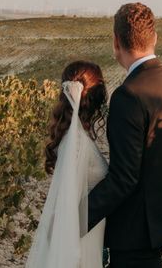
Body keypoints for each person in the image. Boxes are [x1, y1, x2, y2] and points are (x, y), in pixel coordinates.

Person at [87, 2, 162, 268]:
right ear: (154, 38)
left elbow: (124, 177)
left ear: (116, 41)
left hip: (136, 228)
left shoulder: (129, 95)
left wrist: (77, 217)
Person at [27, 61, 109, 268]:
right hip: (81, 241)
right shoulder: (77, 143)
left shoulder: (75, 138)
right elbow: (69, 202)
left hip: (85, 233)